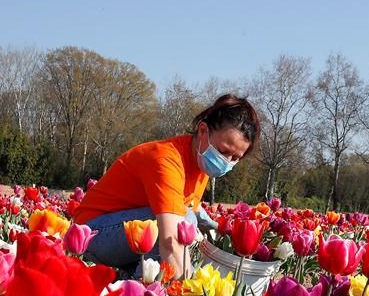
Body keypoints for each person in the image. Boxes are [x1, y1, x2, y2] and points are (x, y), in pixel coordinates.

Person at [73, 94, 260, 278]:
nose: (226, 161)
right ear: (203, 131)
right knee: (181, 222)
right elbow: (171, 240)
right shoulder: (167, 160)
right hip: (91, 234)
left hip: (122, 234)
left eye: (235, 158)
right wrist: (188, 290)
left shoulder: (200, 166)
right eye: (223, 151)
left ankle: (131, 279)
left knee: (189, 220)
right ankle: (141, 292)